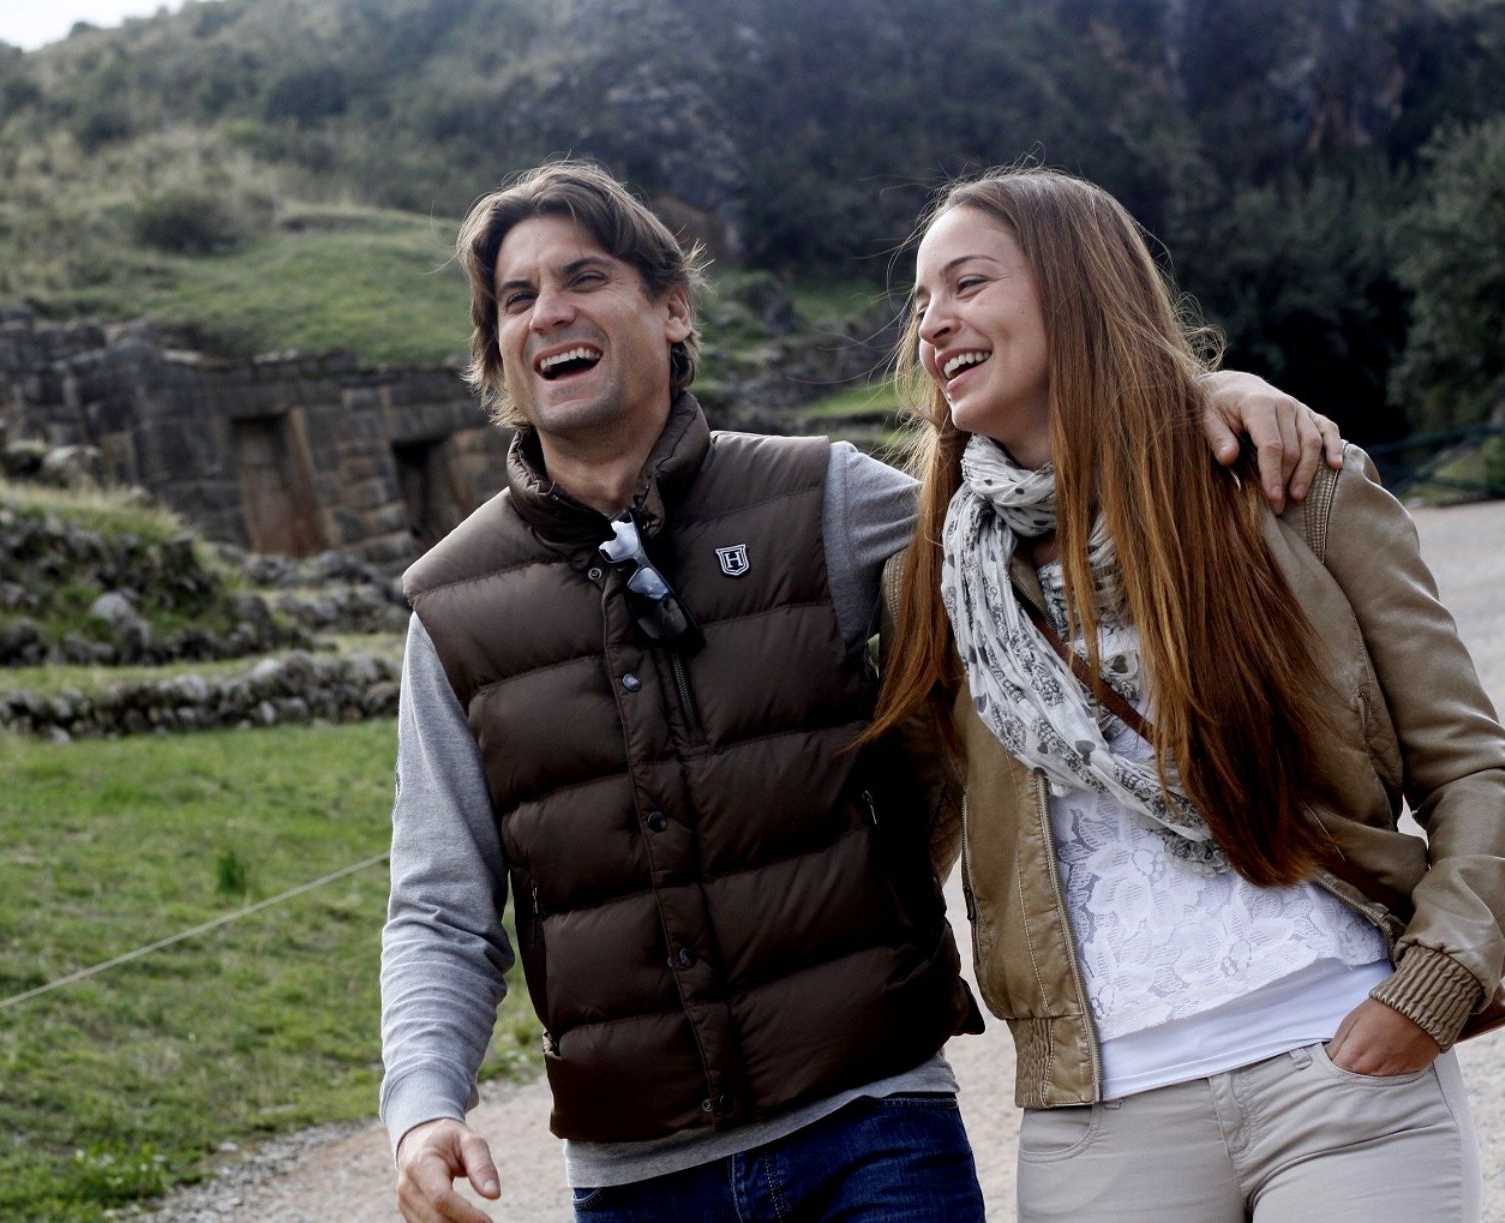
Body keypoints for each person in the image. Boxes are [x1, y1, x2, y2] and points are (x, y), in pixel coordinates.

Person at [380, 159, 1340, 1223]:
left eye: (584, 276)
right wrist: (424, 1106)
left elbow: (1034, 487)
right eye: (517, 297)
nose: (548, 311)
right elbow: (439, 905)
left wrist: (1199, 394)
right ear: (498, 349)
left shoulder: (821, 499)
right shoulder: (453, 605)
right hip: (637, 1178)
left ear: (673, 307)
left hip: (876, 1132)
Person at [871, 166, 1503, 1221]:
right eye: (923, 302)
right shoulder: (933, 578)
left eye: (969, 283)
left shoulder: (1291, 486)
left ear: (1076, 287)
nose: (936, 323)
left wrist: (1435, 982)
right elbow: (903, 837)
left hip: (1343, 1069)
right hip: (1099, 1121)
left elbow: (1470, 763)